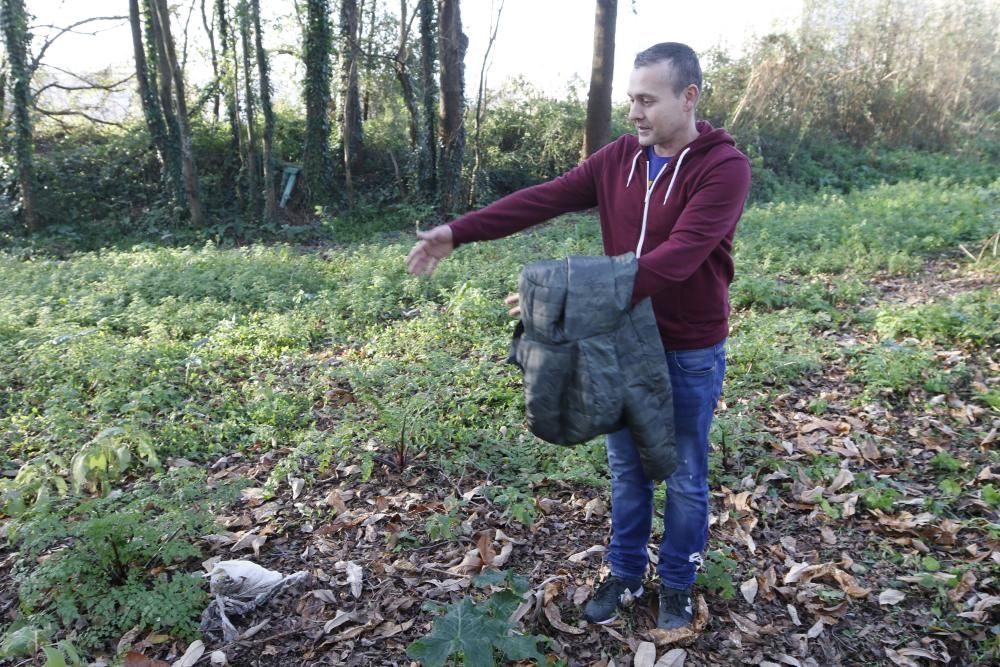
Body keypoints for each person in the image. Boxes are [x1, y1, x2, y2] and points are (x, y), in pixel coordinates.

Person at [406, 42, 750, 631]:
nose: (635, 114)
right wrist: (456, 232)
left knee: (686, 474)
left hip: (688, 346)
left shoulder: (723, 168)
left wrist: (570, 292)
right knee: (627, 470)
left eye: (647, 100)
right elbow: (545, 198)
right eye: (630, 101)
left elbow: (678, 259)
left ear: (688, 97)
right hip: (617, 343)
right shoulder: (620, 158)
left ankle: (676, 583)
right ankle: (623, 574)